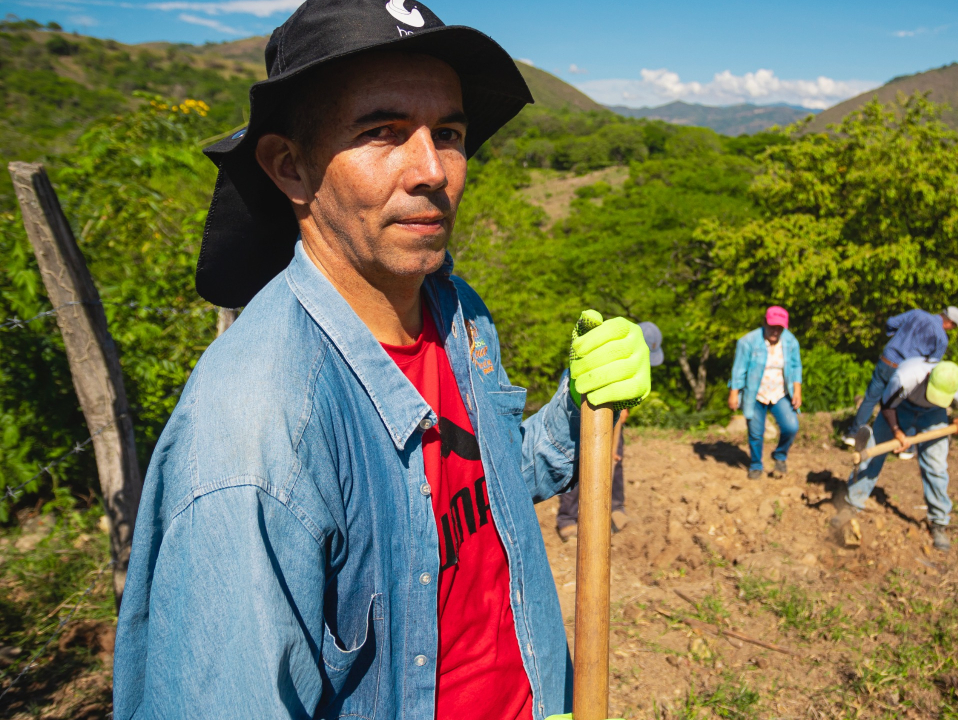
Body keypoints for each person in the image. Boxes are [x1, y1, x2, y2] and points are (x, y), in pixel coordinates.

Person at [112, 2, 651, 717]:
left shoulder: (457, 313)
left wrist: (574, 410)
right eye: (382, 131)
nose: (433, 170)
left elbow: (481, 496)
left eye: (449, 133)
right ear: (289, 166)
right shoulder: (256, 435)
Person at [835, 359, 958, 552]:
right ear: (928, 378)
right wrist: (897, 431)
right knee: (871, 454)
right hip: (901, 406)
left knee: (936, 466)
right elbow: (887, 404)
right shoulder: (907, 376)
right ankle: (851, 504)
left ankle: (939, 522)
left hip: (934, 415)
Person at [557, 321, 664, 541]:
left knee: (616, 457)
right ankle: (567, 518)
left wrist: (621, 409)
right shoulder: (608, 350)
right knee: (577, 460)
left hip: (612, 413)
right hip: (581, 410)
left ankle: (614, 506)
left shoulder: (631, 363)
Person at [850, 307, 958, 452]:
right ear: (950, 322)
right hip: (905, 373)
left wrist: (894, 335)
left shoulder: (916, 313)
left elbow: (891, 322)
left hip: (887, 360)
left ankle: (853, 434)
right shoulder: (941, 338)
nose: (951, 329)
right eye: (953, 326)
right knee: (904, 405)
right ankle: (906, 448)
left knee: (871, 398)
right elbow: (931, 366)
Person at [728, 306, 802, 480]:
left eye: (780, 328)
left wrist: (797, 389)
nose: (775, 331)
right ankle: (755, 464)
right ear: (764, 323)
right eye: (772, 327)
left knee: (791, 426)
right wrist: (733, 393)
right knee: (756, 432)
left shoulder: (790, 342)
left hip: (780, 392)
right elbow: (738, 369)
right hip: (755, 394)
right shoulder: (748, 342)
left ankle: (780, 455)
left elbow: (796, 365)